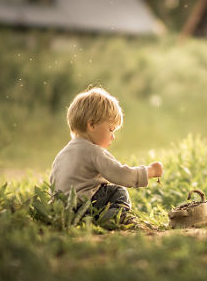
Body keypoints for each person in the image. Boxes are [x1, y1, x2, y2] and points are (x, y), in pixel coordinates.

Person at [50, 86, 163, 226]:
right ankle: (116, 218)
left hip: (64, 212)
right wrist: (149, 171)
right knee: (117, 190)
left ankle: (84, 221)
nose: (113, 137)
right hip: (85, 207)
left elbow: (53, 185)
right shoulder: (93, 151)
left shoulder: (61, 155)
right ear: (91, 125)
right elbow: (120, 175)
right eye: (111, 129)